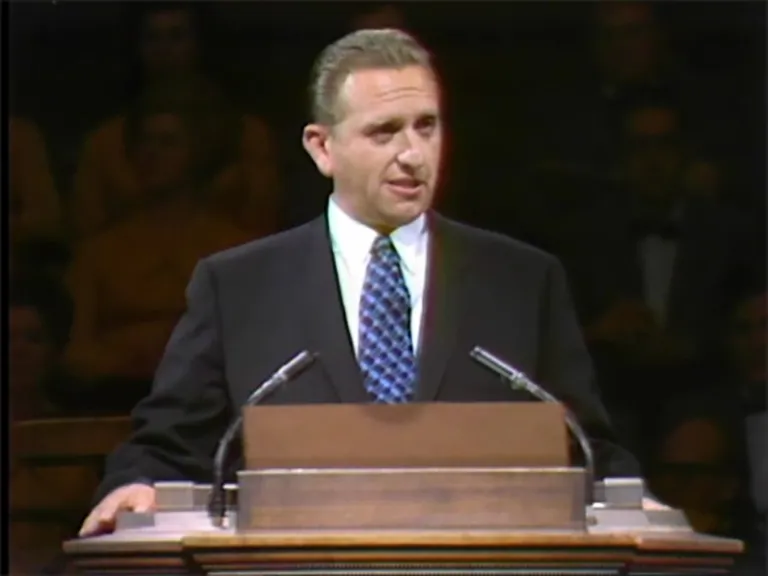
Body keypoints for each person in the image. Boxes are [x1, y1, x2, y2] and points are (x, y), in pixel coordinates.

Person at [80, 28, 664, 537]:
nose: (413, 154)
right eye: (384, 132)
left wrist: (627, 499)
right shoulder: (238, 287)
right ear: (322, 148)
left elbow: (585, 446)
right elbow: (166, 443)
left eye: (426, 127)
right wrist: (135, 484)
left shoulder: (522, 279)